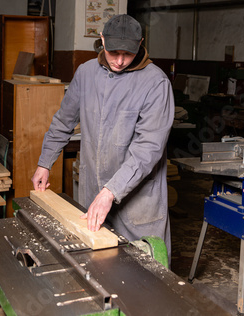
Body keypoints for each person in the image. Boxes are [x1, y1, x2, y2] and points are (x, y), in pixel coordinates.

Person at [32, 14, 175, 260]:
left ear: (140, 43)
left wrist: (110, 192)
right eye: (113, 52)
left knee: (145, 278)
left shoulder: (156, 83)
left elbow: (147, 150)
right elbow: (64, 121)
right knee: (95, 269)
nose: (119, 61)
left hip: (138, 205)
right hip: (92, 195)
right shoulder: (86, 73)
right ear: (102, 41)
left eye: (128, 54)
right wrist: (45, 162)